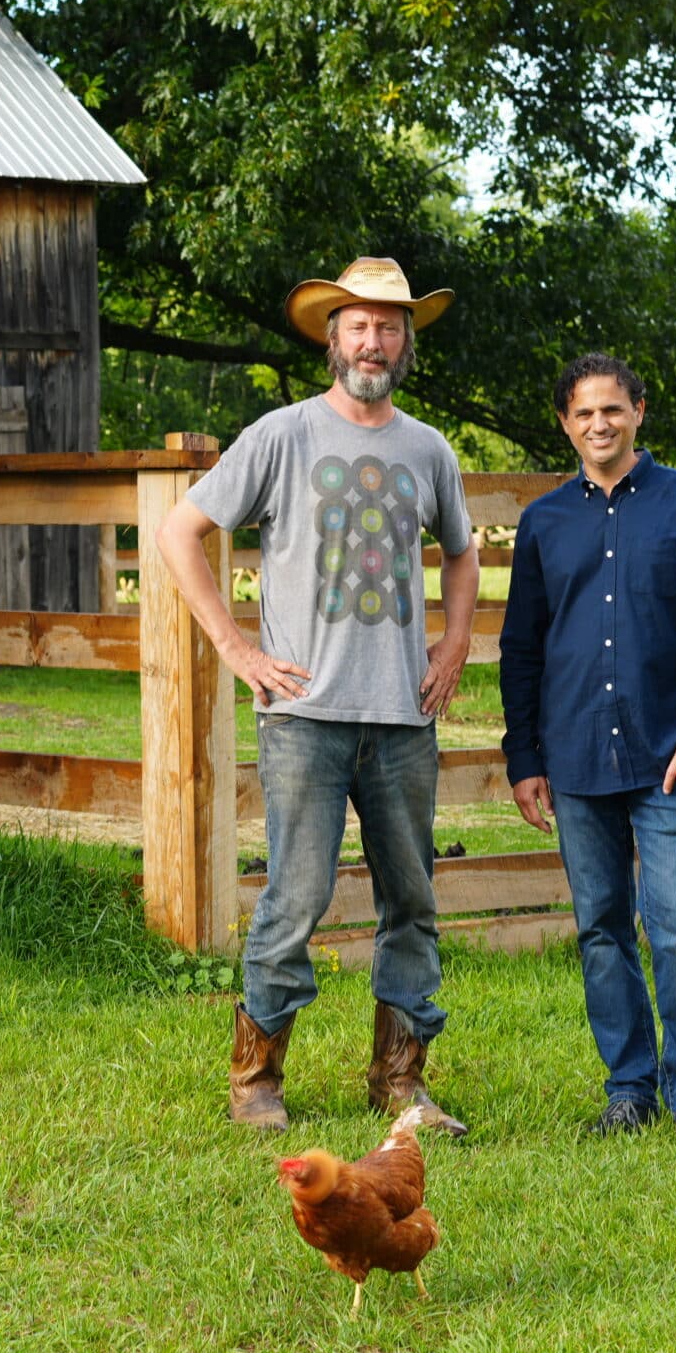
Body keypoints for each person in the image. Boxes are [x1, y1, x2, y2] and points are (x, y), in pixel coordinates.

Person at [155, 257, 479, 1136]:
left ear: (406, 341)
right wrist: (234, 645)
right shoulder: (281, 436)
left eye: (390, 324)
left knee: (410, 898)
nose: (373, 339)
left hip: (404, 717)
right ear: (331, 337)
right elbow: (181, 530)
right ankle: (255, 1080)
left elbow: (461, 552)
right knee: (293, 898)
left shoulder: (428, 449)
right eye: (358, 323)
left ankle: (399, 1079)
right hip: (303, 716)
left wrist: (452, 642)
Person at [498, 353, 676, 1144]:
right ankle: (628, 1088)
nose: (599, 425)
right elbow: (522, 649)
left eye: (612, 409)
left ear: (640, 411)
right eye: (583, 414)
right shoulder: (545, 522)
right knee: (602, 927)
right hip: (575, 759)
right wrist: (524, 758)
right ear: (565, 424)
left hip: (667, 757)